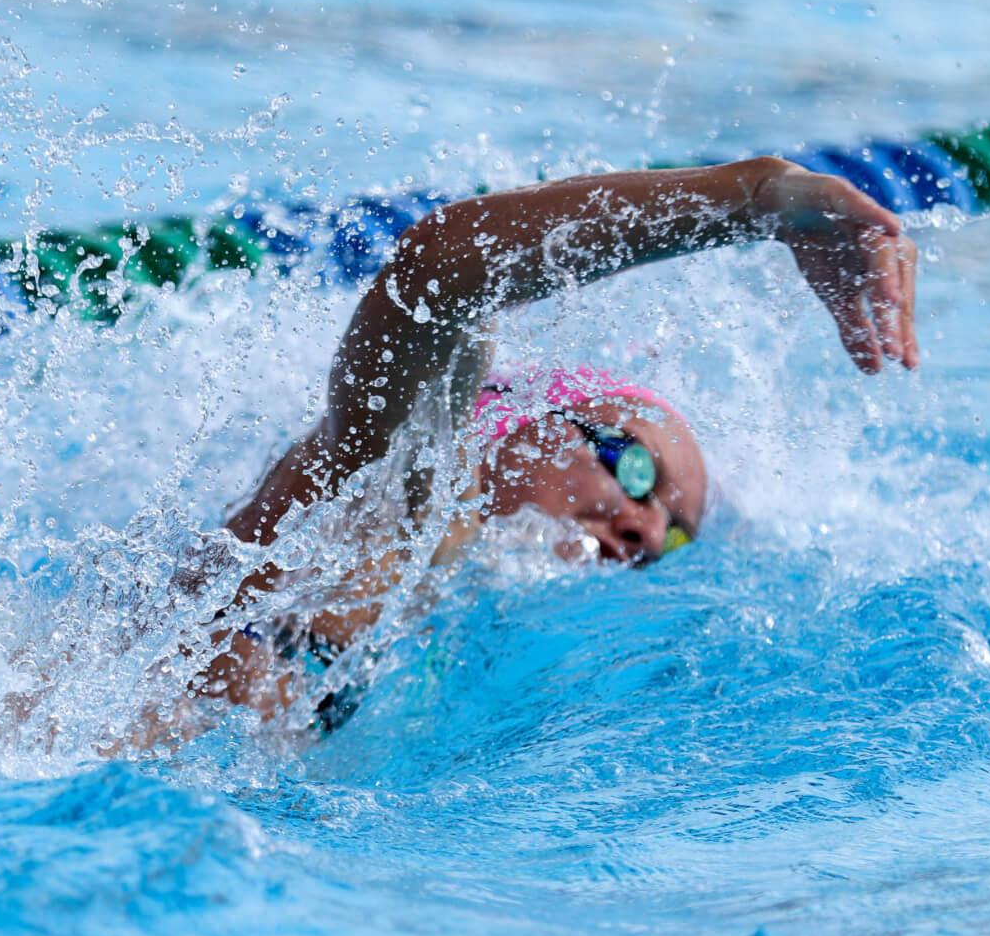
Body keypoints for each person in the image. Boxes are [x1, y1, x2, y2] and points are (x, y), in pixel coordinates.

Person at [133, 156, 920, 741]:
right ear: (532, 420)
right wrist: (761, 200)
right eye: (636, 470)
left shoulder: (446, 604)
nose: (647, 532)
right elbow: (437, 269)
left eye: (673, 534)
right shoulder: (395, 481)